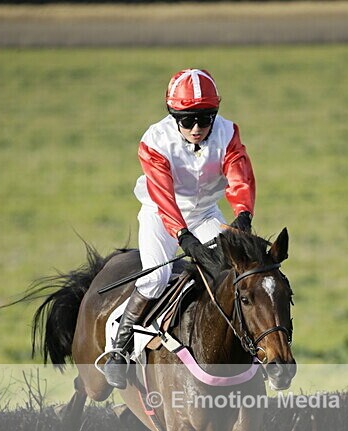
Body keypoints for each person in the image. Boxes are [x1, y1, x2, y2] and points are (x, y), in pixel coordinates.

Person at [104, 68, 256, 388]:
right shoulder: (154, 141)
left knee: (229, 270)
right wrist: (183, 238)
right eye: (187, 120)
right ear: (173, 116)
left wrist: (242, 215)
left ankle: (245, 344)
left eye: (205, 118)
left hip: (204, 215)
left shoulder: (228, 133)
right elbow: (163, 195)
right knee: (156, 277)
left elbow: (239, 173)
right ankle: (119, 345)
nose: (197, 128)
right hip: (160, 216)